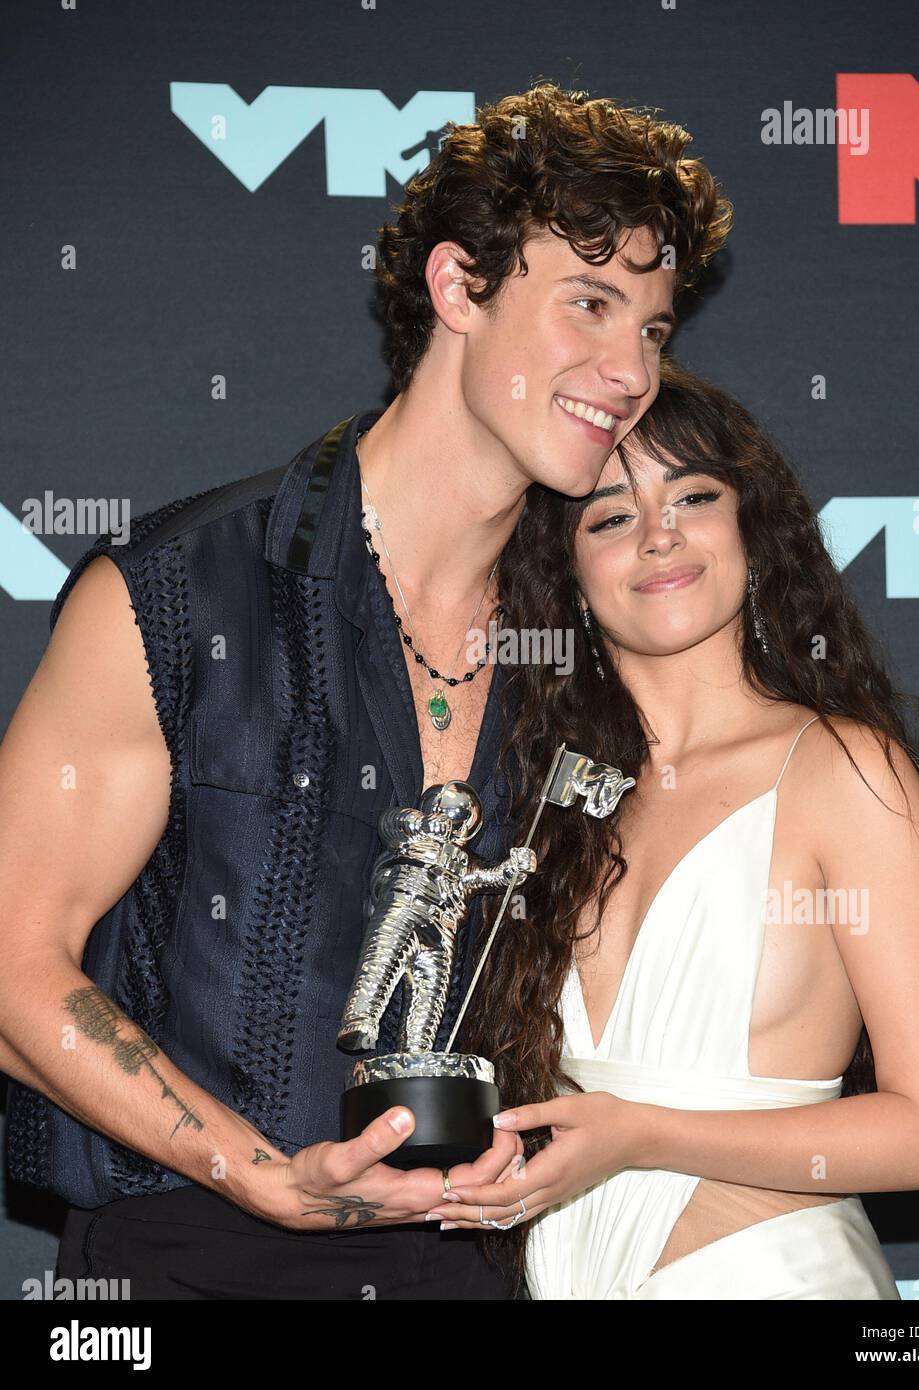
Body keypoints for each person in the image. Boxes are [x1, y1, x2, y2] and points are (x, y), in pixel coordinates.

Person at [0, 83, 732, 1299]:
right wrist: (259, 1174)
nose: (629, 370)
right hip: (188, 1264)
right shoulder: (183, 592)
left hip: (478, 1268)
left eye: (653, 329)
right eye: (589, 304)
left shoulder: (601, 636)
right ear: (458, 289)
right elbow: (15, 958)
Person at [422, 358, 919, 1300]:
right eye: (611, 515)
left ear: (749, 531)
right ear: (567, 578)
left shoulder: (843, 772)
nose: (659, 535)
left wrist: (643, 1133)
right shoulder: (558, 807)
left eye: (693, 496)